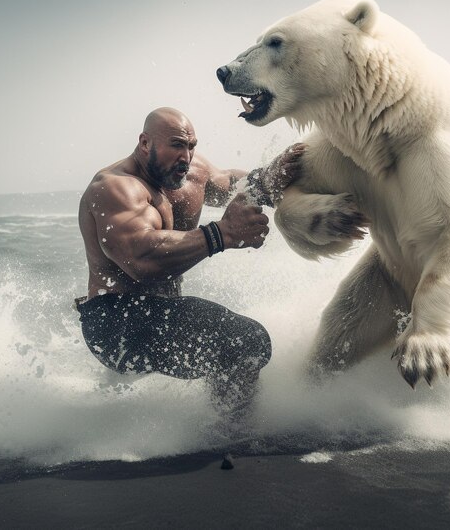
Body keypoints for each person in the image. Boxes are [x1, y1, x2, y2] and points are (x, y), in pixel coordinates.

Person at [76, 107, 303, 416]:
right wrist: (220, 234)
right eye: (176, 145)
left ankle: (213, 423)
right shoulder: (115, 187)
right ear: (145, 143)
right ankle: (228, 435)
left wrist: (267, 178)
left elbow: (231, 183)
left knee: (236, 341)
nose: (186, 156)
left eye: (191, 146)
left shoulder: (190, 174)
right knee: (247, 339)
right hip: (116, 322)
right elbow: (140, 259)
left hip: (164, 311)